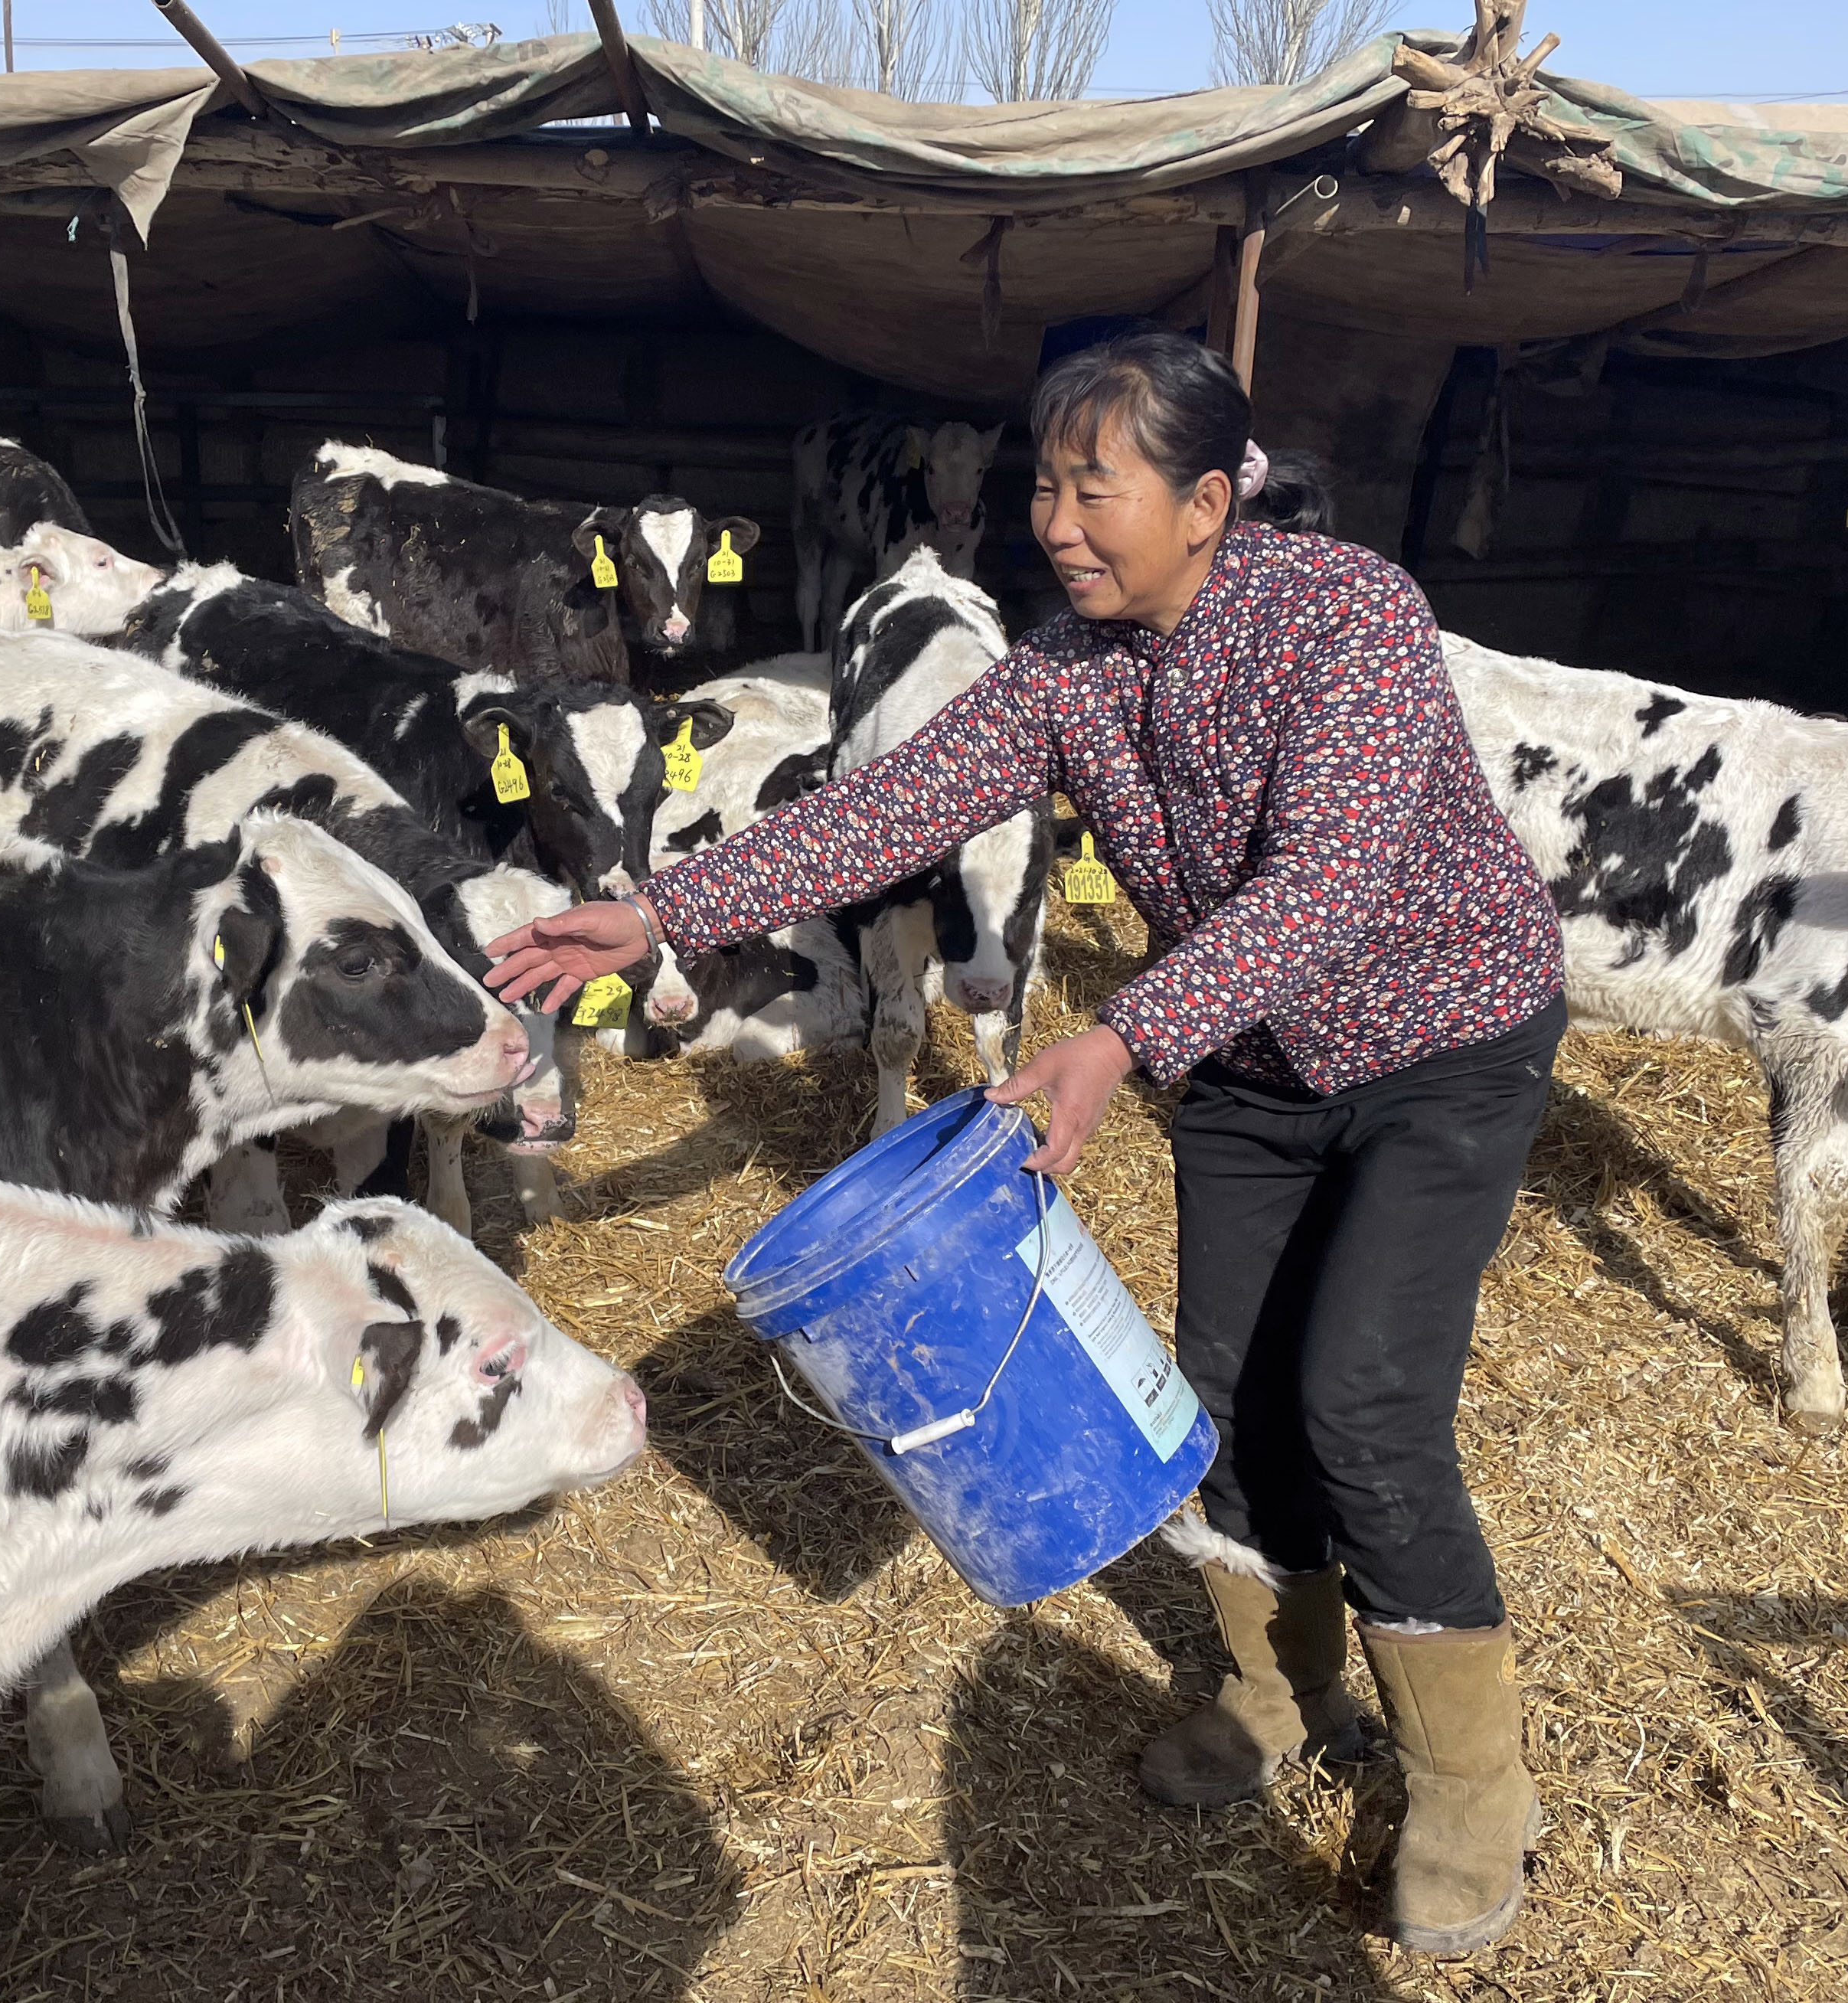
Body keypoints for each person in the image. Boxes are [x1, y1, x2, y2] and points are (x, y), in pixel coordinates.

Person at [482, 328, 1567, 1959]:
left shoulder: (1352, 619)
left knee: (1360, 1400)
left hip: (1442, 1045)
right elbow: (890, 806)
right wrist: (664, 907)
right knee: (1216, 1389)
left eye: (1092, 488)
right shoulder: (1066, 665)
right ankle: (1280, 1694)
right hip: (1254, 1071)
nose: (1054, 521)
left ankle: (1475, 1789)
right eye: (1045, 484)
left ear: (1206, 501)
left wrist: (1119, 1034)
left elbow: (1329, 884)